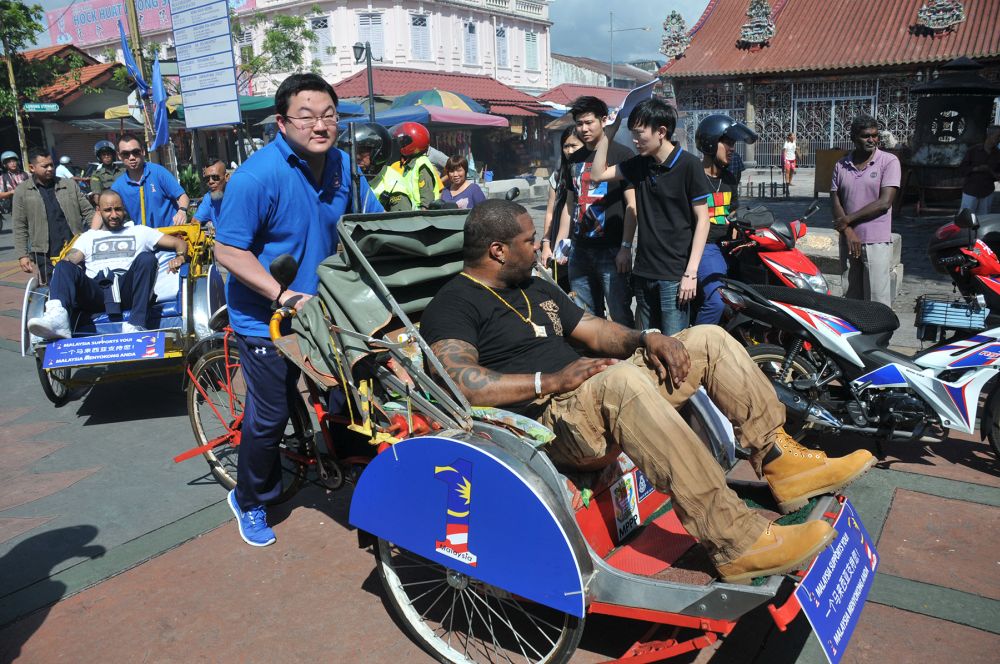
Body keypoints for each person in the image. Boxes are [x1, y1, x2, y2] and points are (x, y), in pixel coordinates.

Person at [420, 199, 875, 583]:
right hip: (549, 421)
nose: (538, 246)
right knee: (619, 381)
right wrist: (551, 381)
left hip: (597, 392)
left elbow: (594, 329)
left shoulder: (534, 285)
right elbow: (458, 379)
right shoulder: (453, 303)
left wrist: (647, 338)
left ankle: (781, 462)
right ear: (497, 250)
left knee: (703, 340)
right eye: (527, 240)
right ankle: (733, 539)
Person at [213, 73, 383, 547]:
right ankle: (250, 499)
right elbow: (228, 251)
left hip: (328, 311)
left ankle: (355, 474)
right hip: (268, 317)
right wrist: (281, 294)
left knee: (354, 397)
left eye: (328, 114)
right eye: (306, 116)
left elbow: (369, 225)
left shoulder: (344, 168)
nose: (320, 124)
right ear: (282, 123)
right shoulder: (256, 176)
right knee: (268, 419)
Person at [590, 98, 712, 336]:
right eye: (632, 134)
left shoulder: (689, 165)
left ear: (661, 132)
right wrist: (609, 134)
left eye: (640, 134)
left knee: (673, 346)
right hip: (643, 273)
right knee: (645, 345)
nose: (635, 141)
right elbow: (597, 174)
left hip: (674, 276)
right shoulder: (640, 165)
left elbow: (703, 220)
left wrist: (691, 273)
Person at [26, 189, 187, 340]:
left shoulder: (140, 231)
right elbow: (72, 258)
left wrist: (180, 257)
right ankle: (58, 319)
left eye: (118, 209)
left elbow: (179, 243)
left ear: (124, 210)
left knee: (147, 258)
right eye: (108, 210)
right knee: (63, 265)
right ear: (99, 211)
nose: (114, 215)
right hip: (96, 292)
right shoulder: (88, 237)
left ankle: (137, 324)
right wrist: (65, 268)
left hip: (127, 290)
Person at [555, 96, 636, 327]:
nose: (584, 129)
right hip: (580, 250)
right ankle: (597, 361)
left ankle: (629, 359)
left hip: (611, 251)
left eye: (589, 122)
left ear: (603, 120)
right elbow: (570, 206)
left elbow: (632, 205)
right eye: (579, 124)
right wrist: (562, 243)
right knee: (585, 316)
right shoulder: (574, 159)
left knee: (619, 313)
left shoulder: (622, 155)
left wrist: (626, 247)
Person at [694, 114, 757, 326]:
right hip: (705, 247)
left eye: (733, 144)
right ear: (711, 142)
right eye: (727, 143)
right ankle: (699, 346)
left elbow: (732, 213)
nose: (732, 148)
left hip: (727, 246)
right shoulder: (693, 176)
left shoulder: (730, 178)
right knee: (717, 302)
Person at [831, 116, 901, 306]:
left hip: (876, 241)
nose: (872, 140)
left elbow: (884, 202)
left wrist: (847, 220)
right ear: (854, 137)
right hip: (849, 240)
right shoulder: (841, 165)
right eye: (865, 136)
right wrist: (847, 230)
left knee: (877, 300)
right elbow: (835, 199)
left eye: (875, 136)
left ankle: (879, 336)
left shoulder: (889, 161)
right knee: (851, 298)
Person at [13, 148, 94, 284]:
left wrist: (97, 235)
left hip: (75, 248)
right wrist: (23, 255)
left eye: (52, 165)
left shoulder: (68, 185)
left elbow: (88, 212)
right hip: (45, 253)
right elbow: (19, 225)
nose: (50, 168)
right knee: (54, 290)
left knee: (81, 285)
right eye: (45, 166)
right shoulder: (22, 191)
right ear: (32, 168)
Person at [102, 134, 189, 228]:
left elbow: (182, 197)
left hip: (171, 234)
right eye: (126, 154)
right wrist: (91, 234)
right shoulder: (117, 186)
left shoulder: (158, 172)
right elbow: (104, 210)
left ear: (143, 151)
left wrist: (182, 211)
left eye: (136, 152)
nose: (131, 157)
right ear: (119, 156)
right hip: (144, 239)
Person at [539, 127, 585, 271]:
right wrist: (546, 244)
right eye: (566, 146)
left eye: (574, 146)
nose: (570, 151)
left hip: (582, 239)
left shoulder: (591, 175)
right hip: (559, 238)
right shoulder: (558, 176)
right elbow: (550, 212)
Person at [374, 122, 442, 210]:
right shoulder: (410, 164)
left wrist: (424, 212)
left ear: (415, 141)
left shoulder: (421, 164)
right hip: (413, 213)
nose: (400, 144)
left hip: (421, 216)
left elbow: (426, 195)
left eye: (403, 141)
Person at [958, 125, 1000, 215]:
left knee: (984, 220)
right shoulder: (973, 151)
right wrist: (975, 169)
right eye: (998, 136)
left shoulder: (998, 154)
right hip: (971, 191)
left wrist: (991, 172)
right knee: (966, 218)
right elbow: (962, 169)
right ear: (990, 135)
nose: (999, 139)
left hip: (987, 192)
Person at [192, 158, 228, 227]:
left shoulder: (237, 196)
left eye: (215, 177)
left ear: (227, 177)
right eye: (207, 179)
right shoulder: (208, 198)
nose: (210, 182)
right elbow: (195, 222)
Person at [88, 140, 125, 206]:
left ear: (113, 156)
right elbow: (97, 195)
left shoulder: (123, 171)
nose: (106, 157)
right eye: (103, 155)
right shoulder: (96, 175)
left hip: (125, 203)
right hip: (108, 205)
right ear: (100, 157)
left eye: (108, 154)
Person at [1, 150, 29, 231]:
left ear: (17, 162)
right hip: (15, 208)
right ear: (5, 165)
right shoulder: (2, 178)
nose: (12, 163)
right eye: (9, 162)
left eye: (14, 161)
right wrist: (11, 192)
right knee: (22, 230)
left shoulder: (26, 174)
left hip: (30, 204)